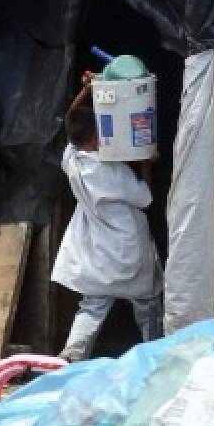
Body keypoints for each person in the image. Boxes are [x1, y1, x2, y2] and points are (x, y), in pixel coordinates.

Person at [52, 73, 162, 361]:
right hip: (126, 248)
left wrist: (86, 90)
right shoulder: (109, 170)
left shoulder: (72, 160)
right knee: (147, 304)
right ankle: (154, 355)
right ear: (95, 137)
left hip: (98, 252)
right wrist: (145, 161)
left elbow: (69, 124)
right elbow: (146, 197)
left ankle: (71, 356)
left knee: (92, 306)